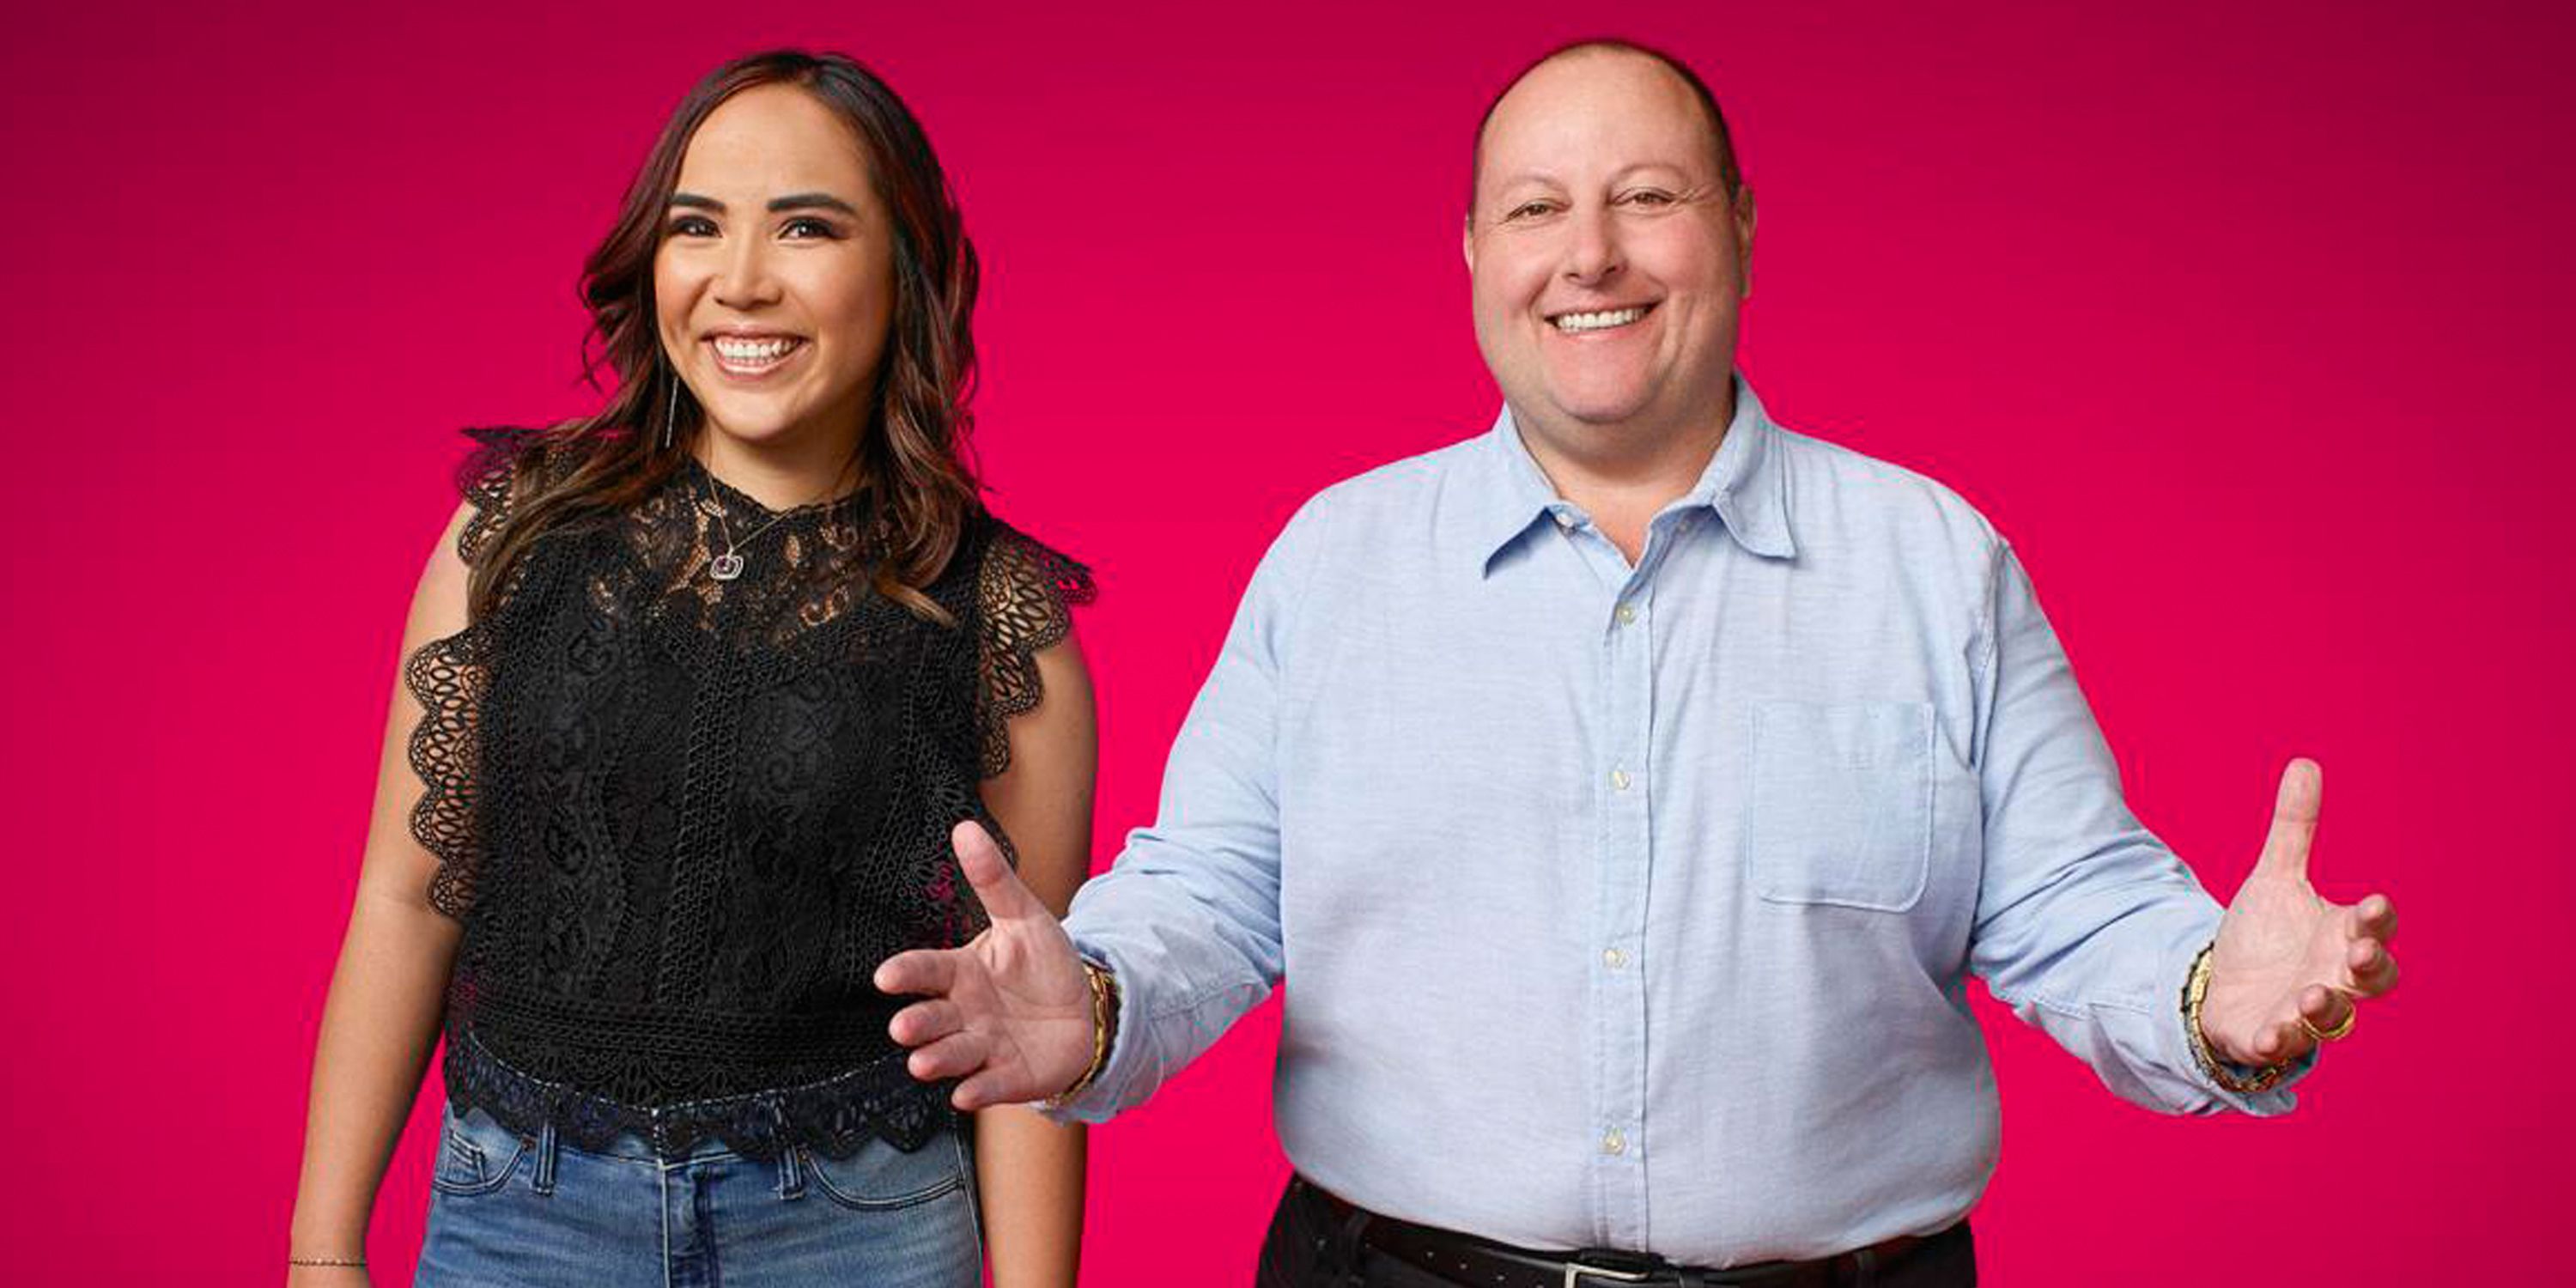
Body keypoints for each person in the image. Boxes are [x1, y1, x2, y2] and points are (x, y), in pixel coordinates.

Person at [873, 38, 2401, 1287]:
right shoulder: (1336, 563)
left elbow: (2074, 908)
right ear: (1474, 253)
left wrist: (2208, 997)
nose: (1588, 254)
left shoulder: (1936, 565)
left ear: (1738, 223)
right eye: (1535, 210)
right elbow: (1211, 888)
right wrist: (1108, 996)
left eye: (1646, 197)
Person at [286, 50, 1094, 1288]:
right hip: (523, 1214)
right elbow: (408, 897)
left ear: (904, 269)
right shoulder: (514, 536)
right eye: (696, 227)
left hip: (855, 1227)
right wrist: (324, 1255)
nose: (741, 282)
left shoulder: (996, 611)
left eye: (809, 227)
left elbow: (1021, 1023)